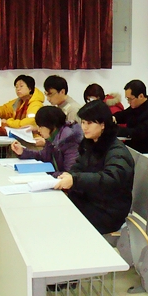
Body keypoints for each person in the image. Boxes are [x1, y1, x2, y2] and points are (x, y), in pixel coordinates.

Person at [54, 100, 134, 234]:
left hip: (107, 211)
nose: (84, 127)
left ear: (103, 124)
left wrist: (75, 180)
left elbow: (111, 179)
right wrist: (70, 175)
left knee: (63, 222)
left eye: (90, 123)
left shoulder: (117, 151)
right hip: (90, 201)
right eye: (83, 122)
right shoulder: (91, 143)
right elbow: (79, 165)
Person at [10, 106, 82, 177]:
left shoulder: (70, 142)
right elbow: (43, 156)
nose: (38, 130)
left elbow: (70, 175)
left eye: (41, 127)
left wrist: (47, 173)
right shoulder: (52, 138)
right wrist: (23, 151)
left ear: (52, 126)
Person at [113, 79, 148, 153]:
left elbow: (138, 132)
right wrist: (112, 118)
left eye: (130, 99)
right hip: (135, 146)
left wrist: (115, 130)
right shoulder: (136, 105)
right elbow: (124, 115)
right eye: (127, 99)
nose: (128, 102)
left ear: (141, 96)